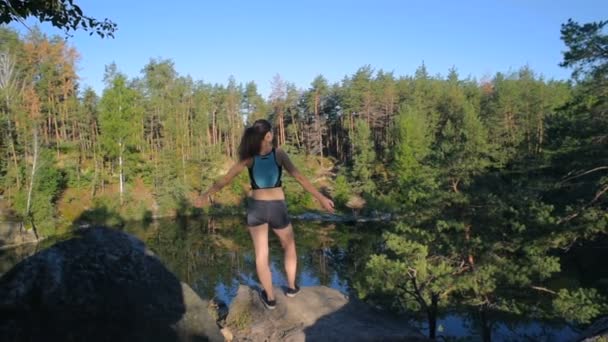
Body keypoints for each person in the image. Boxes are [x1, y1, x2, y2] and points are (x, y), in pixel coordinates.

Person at [194, 119, 335, 310]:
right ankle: (292, 288)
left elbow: (225, 179)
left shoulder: (248, 158)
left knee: (261, 254)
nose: (273, 135)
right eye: (272, 132)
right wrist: (321, 198)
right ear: (267, 135)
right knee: (289, 246)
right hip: (277, 207)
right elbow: (300, 177)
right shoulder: (279, 154)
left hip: (256, 208)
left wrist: (205, 195)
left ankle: (270, 298)